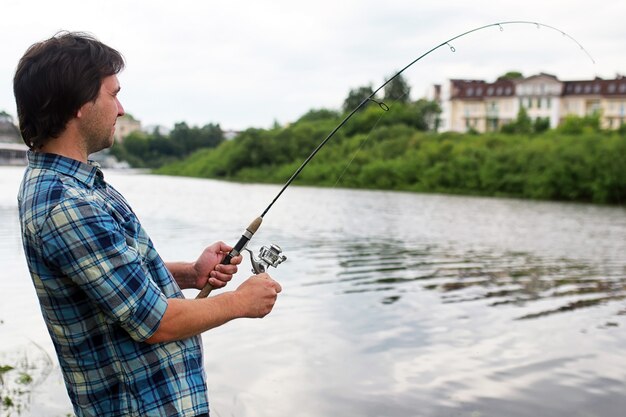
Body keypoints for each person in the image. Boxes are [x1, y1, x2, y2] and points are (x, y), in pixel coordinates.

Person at [14, 31, 282, 417]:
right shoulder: (64, 203)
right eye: (112, 94)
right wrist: (241, 302)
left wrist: (191, 273)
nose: (121, 109)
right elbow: (155, 321)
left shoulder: (76, 186)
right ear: (77, 103)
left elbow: (111, 280)